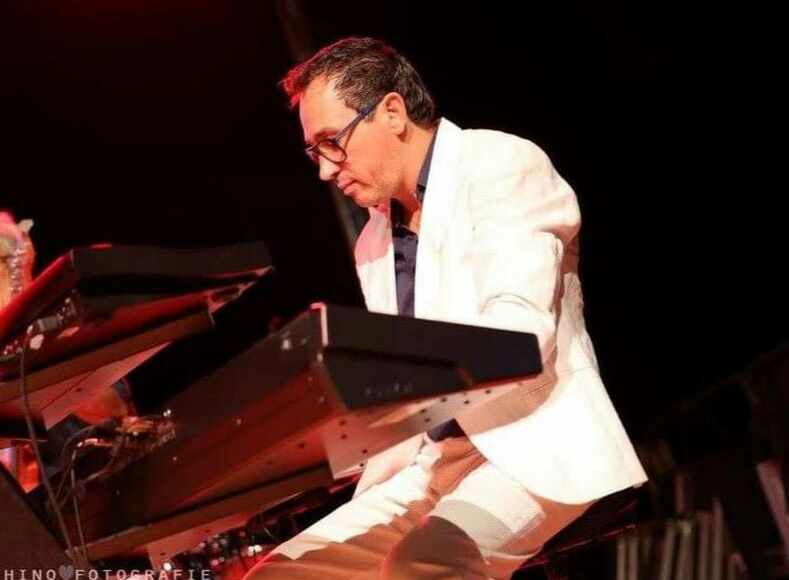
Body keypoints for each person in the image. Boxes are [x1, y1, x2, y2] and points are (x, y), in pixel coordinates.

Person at [245, 37, 647, 579]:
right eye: (314, 153)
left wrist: (375, 383)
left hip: (531, 445)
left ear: (392, 112)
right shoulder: (373, 241)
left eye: (332, 143)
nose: (325, 171)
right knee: (280, 572)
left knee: (423, 563)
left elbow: (521, 333)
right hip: (433, 461)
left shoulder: (499, 164)